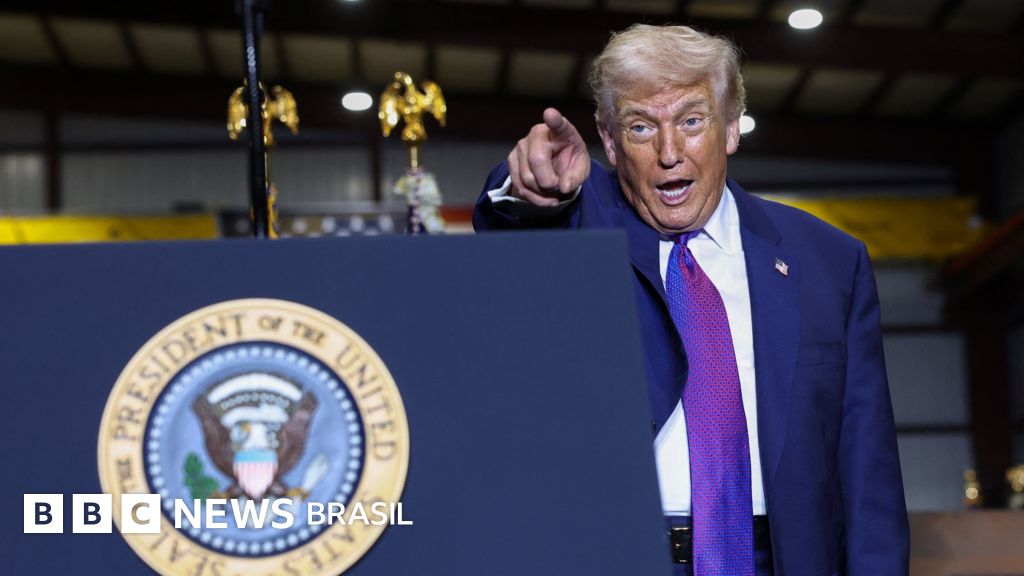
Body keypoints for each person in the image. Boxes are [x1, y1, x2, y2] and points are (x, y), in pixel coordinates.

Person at [473, 24, 909, 576]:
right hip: (616, 557)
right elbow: (513, 226)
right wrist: (533, 190)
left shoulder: (828, 261)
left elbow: (868, 469)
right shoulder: (582, 228)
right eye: (640, 126)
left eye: (692, 121)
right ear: (610, 142)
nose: (669, 152)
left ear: (731, 127)